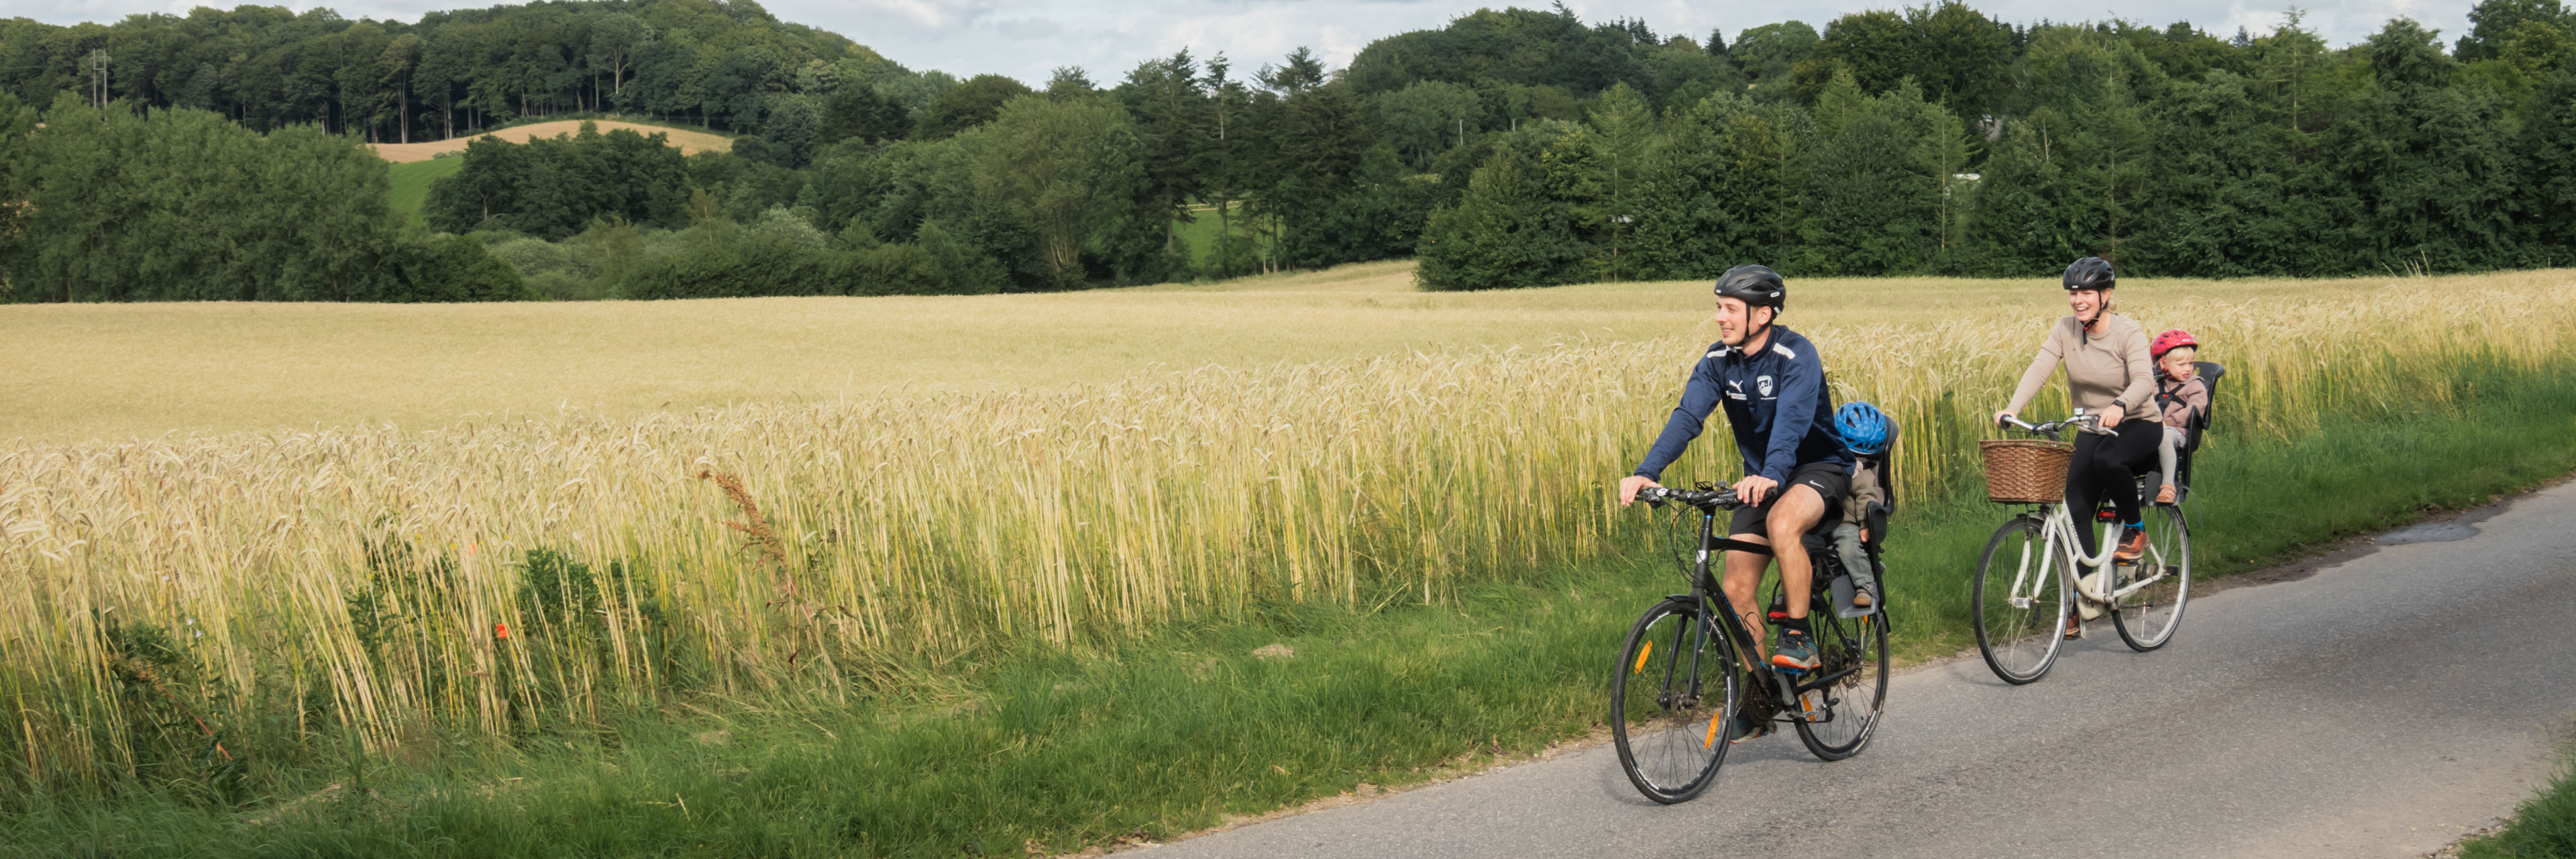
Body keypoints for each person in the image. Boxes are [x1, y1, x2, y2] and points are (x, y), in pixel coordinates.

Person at [1618, 264, 1850, 743]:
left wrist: (1771, 474)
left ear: (1762, 314)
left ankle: (1800, 637)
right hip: (1761, 478)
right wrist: (1647, 472)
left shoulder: (1795, 354)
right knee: (1737, 587)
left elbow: (1791, 421)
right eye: (1718, 307)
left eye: (1729, 308)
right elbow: (1688, 417)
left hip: (1817, 468)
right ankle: (1763, 694)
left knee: (1783, 524)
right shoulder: (1718, 360)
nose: (1720, 317)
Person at [1993, 256, 2158, 629]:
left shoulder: (2128, 332)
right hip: (2091, 426)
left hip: (2138, 422)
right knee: (2075, 507)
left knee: (2109, 461)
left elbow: (2145, 380)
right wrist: (2012, 408)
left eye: (2086, 293)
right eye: (2073, 293)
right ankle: (2084, 595)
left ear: (2105, 295)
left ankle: (2136, 529)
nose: (2078, 300)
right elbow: (2040, 367)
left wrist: (2120, 405)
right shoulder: (2065, 329)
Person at [2149, 330, 2210, 505]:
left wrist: (2166, 423)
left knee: (2166, 434)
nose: (2188, 369)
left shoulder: (2195, 385)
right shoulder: (2154, 384)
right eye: (2181, 364)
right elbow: (2143, 403)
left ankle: (2168, 486)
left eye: (2190, 363)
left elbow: (2194, 410)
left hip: (2179, 432)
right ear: (2164, 363)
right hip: (2154, 429)